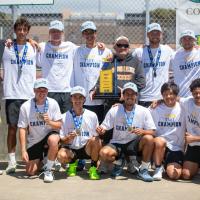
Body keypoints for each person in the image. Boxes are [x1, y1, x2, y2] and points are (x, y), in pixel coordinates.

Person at [96, 82, 156, 182]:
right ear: (123, 96)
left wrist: (143, 131)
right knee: (103, 153)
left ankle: (143, 169)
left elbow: (153, 132)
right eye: (127, 94)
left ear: (136, 96)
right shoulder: (115, 109)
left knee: (149, 138)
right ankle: (120, 161)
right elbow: (104, 127)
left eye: (132, 94)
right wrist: (101, 130)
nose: (130, 96)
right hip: (117, 143)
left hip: (133, 144)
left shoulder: (144, 111)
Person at [1, 17, 36, 174]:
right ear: (14, 31)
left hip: (29, 95)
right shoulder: (6, 46)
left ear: (28, 31)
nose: (21, 32)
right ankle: (12, 161)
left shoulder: (34, 47)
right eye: (19, 29)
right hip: (12, 95)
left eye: (24, 29)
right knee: (12, 128)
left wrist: (31, 40)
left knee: (30, 129)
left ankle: (31, 158)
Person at [18, 78, 62, 183]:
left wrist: (50, 122)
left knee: (53, 140)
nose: (42, 93)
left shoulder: (53, 103)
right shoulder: (25, 106)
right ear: (34, 90)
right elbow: (22, 129)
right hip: (35, 141)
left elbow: (59, 125)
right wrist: (23, 150)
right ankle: (46, 159)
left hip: (49, 137)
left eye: (44, 90)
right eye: (39, 90)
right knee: (30, 172)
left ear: (47, 91)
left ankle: (48, 170)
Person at [57, 86, 102, 180]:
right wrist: (69, 137)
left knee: (96, 140)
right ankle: (72, 164)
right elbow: (62, 141)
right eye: (75, 97)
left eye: (80, 97)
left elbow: (96, 138)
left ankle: (93, 168)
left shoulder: (92, 115)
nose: (77, 100)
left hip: (86, 148)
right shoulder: (63, 117)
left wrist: (98, 159)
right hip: (72, 149)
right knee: (61, 156)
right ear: (71, 99)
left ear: (84, 99)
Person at [73, 21, 112, 124]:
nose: (89, 35)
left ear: (96, 33)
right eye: (86, 33)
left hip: (98, 99)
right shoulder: (76, 51)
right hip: (80, 99)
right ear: (83, 34)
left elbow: (107, 74)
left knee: (97, 129)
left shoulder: (106, 52)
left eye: (91, 32)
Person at [92, 35, 146, 109]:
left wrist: (127, 92)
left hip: (129, 101)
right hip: (111, 101)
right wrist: (96, 89)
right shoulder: (109, 61)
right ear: (114, 47)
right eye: (119, 45)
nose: (122, 48)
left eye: (125, 45)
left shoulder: (135, 61)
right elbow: (103, 82)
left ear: (129, 48)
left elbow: (142, 82)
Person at [37, 20, 77, 114]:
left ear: (62, 33)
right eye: (53, 31)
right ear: (49, 32)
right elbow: (27, 44)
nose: (56, 34)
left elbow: (86, 50)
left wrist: (100, 46)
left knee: (66, 121)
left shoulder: (70, 46)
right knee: (50, 121)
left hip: (67, 91)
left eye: (58, 31)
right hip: (49, 90)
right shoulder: (42, 47)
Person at [150, 82, 185, 180]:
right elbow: (139, 113)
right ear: (162, 95)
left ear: (176, 95)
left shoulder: (184, 107)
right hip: (159, 146)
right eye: (165, 94)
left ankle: (166, 164)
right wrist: (121, 106)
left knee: (175, 175)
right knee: (160, 141)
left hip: (176, 148)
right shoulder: (155, 107)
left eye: (171, 94)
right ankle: (158, 167)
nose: (168, 97)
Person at [133, 23, 174, 107]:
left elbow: (181, 57)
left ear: (161, 35)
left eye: (157, 33)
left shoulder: (168, 50)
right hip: (144, 97)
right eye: (152, 33)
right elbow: (127, 61)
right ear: (148, 35)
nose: (155, 35)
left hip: (162, 97)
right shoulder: (139, 51)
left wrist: (195, 48)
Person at [171, 30, 200, 97]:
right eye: (184, 39)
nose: (187, 41)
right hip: (181, 97)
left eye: (190, 39)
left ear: (194, 40)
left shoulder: (198, 52)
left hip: (197, 96)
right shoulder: (174, 56)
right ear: (181, 41)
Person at [181, 78, 200, 179]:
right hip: (193, 147)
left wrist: (194, 138)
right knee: (185, 175)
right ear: (192, 93)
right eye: (195, 93)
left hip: (194, 140)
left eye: (199, 93)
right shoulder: (188, 102)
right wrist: (158, 100)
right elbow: (174, 98)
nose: (198, 96)